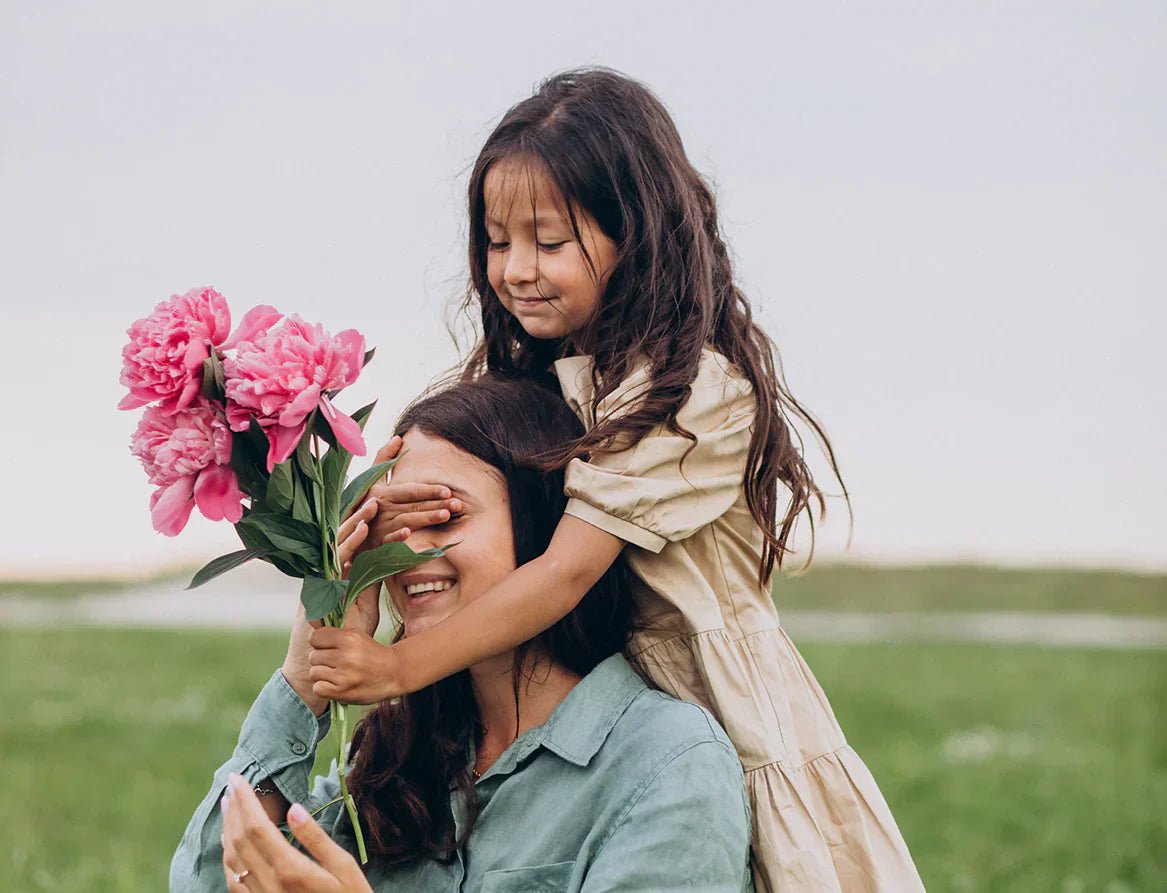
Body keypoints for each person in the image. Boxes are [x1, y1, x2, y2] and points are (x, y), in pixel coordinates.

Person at [308, 68, 925, 891]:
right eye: (498, 241)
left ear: (634, 232)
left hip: (721, 714)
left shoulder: (689, 394)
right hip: (594, 697)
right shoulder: (556, 378)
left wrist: (397, 671)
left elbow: (563, 572)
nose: (517, 269)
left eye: (550, 242)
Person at [170, 375, 753, 892]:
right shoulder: (391, 757)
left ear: (546, 528)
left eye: (445, 517)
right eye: (390, 523)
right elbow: (207, 884)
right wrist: (304, 680)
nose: (406, 551)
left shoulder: (666, 761)